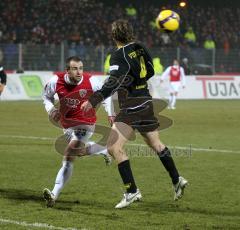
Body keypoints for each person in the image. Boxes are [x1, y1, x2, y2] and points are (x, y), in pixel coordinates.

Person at [81, 19, 188, 209]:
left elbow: (113, 82)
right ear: (130, 33)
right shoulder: (140, 47)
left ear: (114, 36)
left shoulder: (118, 55)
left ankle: (132, 191)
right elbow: (151, 71)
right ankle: (177, 179)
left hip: (131, 105)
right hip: (146, 101)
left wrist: (93, 100)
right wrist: (136, 81)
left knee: (114, 147)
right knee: (156, 144)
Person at [42, 56, 115, 207]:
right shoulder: (56, 81)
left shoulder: (91, 81)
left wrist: (110, 113)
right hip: (67, 125)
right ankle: (103, 150)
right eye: (75, 68)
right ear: (67, 70)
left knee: (69, 154)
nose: (79, 72)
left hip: (86, 123)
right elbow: (46, 97)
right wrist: (51, 110)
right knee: (79, 152)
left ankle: (53, 195)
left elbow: (105, 95)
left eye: (81, 68)